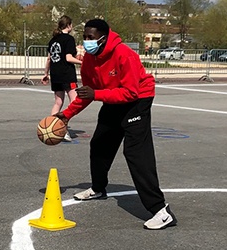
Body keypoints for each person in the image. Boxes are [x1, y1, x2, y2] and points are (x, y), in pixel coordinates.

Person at [54, 19, 175, 230]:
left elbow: (130, 92)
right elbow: (86, 94)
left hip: (137, 100)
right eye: (84, 37)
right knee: (100, 144)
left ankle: (161, 211)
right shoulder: (90, 60)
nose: (86, 41)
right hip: (113, 98)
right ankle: (98, 189)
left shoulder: (124, 54)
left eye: (90, 38)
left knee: (136, 153)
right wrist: (66, 115)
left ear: (103, 37)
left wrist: (97, 94)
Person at [41, 16, 82, 141]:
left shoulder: (53, 40)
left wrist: (46, 73)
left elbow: (49, 59)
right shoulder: (69, 39)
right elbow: (69, 58)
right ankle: (61, 126)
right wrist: (83, 63)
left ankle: (52, 127)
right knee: (75, 102)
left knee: (58, 102)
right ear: (69, 25)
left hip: (55, 74)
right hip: (66, 74)